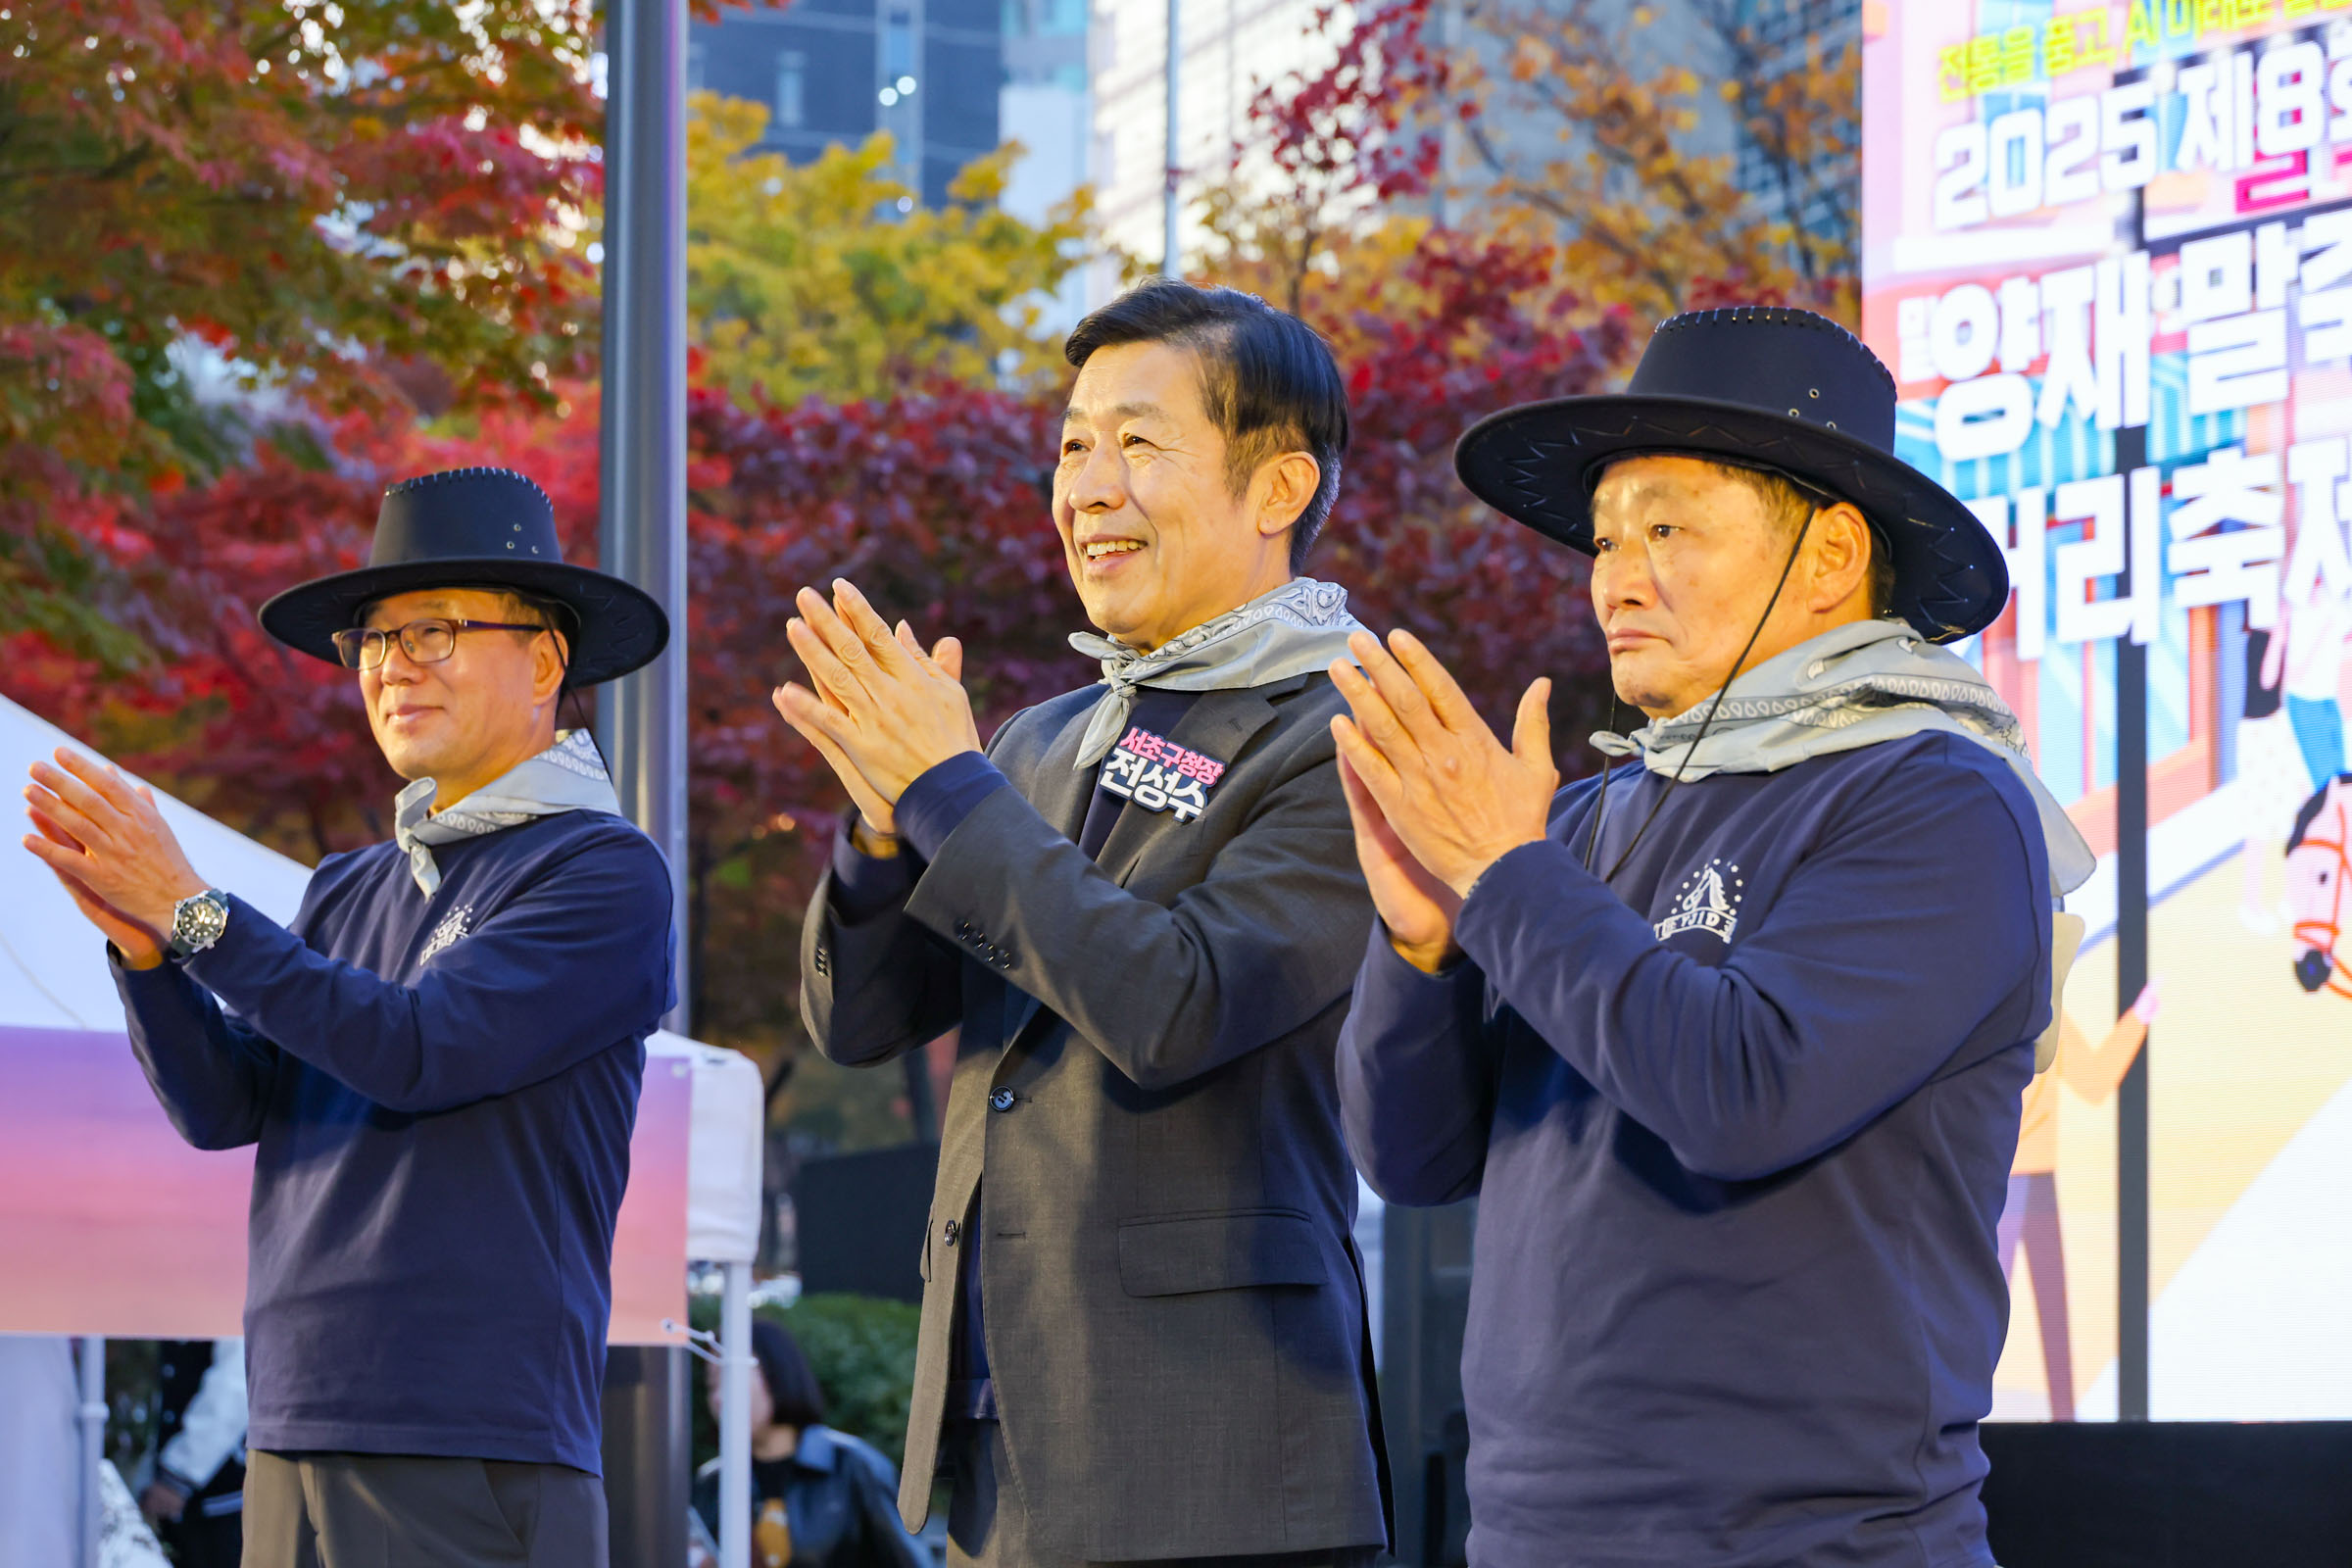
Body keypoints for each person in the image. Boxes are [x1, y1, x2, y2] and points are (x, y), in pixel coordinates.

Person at [1329, 306, 2095, 1567]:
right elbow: (1415, 1158)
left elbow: (1743, 1089)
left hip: (1810, 1542)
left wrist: (1502, 872)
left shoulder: (1935, 799)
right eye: (1608, 535)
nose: (1616, 574)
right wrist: (1421, 949)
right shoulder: (1583, 819)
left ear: (1831, 554)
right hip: (1530, 1534)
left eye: (1671, 527)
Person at [779, 278, 1390, 1565]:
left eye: (1138, 442)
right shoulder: (1041, 739)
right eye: (1070, 446)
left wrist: (949, 788)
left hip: (1218, 1463)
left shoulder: (1345, 735)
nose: (1088, 487)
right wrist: (889, 827)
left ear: (1277, 490)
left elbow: (1172, 1003)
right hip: (1008, 1455)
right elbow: (865, 1019)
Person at [21, 466, 676, 1568]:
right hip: (292, 1425)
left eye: (435, 633)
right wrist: (145, 950)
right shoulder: (348, 885)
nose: (390, 669)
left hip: (472, 1434)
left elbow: (420, 1049)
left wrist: (194, 913)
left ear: (547, 661)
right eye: (372, 642)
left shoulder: (602, 869)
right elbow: (226, 1106)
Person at [2002, 986, 2156, 1421]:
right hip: (2010, 1182)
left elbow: (2092, 1082)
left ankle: (2063, 1422)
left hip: (2025, 1178)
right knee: (2005, 1308)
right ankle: (2057, 1421)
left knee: (2040, 1308)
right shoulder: (2027, 1012)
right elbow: (2092, 1083)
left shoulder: (2041, 1013)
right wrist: (2139, 1018)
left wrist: (2138, 1019)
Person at [688, 1319, 924, 1568]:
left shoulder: (853, 1466)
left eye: (728, 1378)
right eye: (711, 1385)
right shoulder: (714, 1481)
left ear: (775, 1372)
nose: (718, 1398)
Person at [138, 1339, 248, 1567]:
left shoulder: (230, 1305)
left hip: (217, 1498)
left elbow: (235, 1387)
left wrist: (178, 1474)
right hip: (171, 1496)